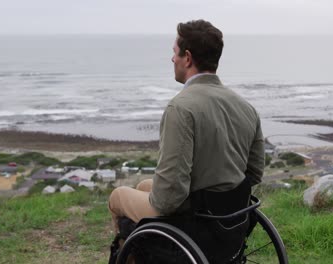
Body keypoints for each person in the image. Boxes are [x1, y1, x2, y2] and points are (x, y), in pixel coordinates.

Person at [108, 19, 264, 235]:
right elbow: (254, 173)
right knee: (145, 185)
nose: (172, 59)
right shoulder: (246, 107)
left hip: (196, 217)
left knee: (119, 195)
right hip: (228, 216)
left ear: (188, 58)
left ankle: (132, 253)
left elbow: (169, 197)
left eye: (175, 53)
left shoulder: (181, 108)